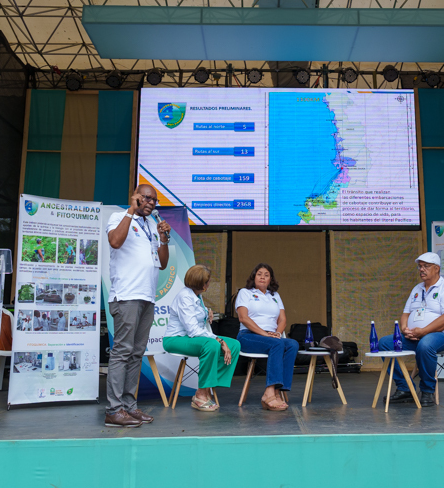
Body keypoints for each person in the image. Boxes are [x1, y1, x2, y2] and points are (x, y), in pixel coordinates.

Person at [103, 183, 171, 428]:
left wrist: (163, 238)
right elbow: (115, 241)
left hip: (147, 297)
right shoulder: (119, 217)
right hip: (127, 295)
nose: (151, 203)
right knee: (122, 352)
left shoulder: (152, 225)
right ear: (135, 197)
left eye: (155, 200)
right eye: (147, 198)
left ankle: (129, 407)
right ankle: (113, 409)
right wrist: (130, 211)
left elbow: (162, 264)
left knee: (136, 353)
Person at [378, 252, 444, 407]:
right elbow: (405, 313)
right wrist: (404, 329)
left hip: (443, 336)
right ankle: (405, 388)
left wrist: (424, 332)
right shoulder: (417, 288)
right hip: (416, 336)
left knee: (426, 344)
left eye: (426, 266)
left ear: (436, 269)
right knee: (384, 343)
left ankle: (428, 391)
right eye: (420, 266)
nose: (421, 269)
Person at [162, 264, 240, 412]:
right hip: (175, 339)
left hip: (191, 338)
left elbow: (196, 318)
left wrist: (207, 312)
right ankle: (201, 394)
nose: (209, 284)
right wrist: (219, 340)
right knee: (211, 345)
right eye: (208, 281)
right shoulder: (185, 297)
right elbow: (192, 330)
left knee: (234, 345)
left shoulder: (197, 295)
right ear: (203, 284)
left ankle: (210, 384)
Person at [234, 263, 298, 411]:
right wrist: (264, 333)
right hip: (248, 336)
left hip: (270, 337)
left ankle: (277, 391)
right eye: (259, 274)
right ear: (254, 277)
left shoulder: (275, 295)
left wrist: (277, 333)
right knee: (277, 344)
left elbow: (282, 319)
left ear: (271, 279)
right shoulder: (245, 292)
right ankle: (268, 393)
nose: (262, 277)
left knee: (292, 344)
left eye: (266, 275)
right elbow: (243, 318)